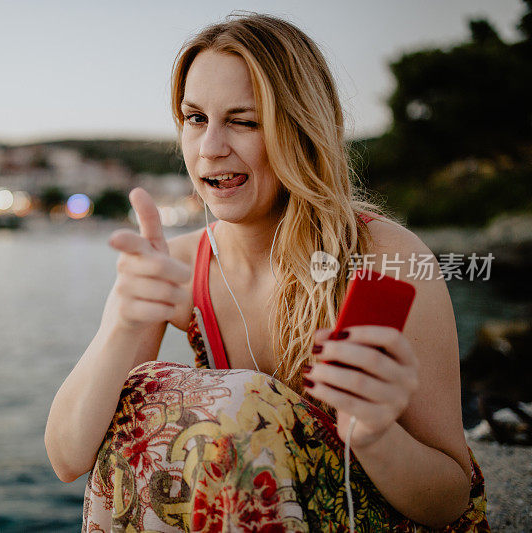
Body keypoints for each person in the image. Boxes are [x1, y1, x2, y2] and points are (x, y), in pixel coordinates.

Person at [45, 12, 489, 532]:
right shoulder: (178, 265)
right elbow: (68, 458)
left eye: (244, 121)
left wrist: (373, 436)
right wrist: (122, 323)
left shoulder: (383, 259)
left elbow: (453, 500)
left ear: (300, 129)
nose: (210, 147)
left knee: (236, 403)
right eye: (194, 118)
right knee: (146, 390)